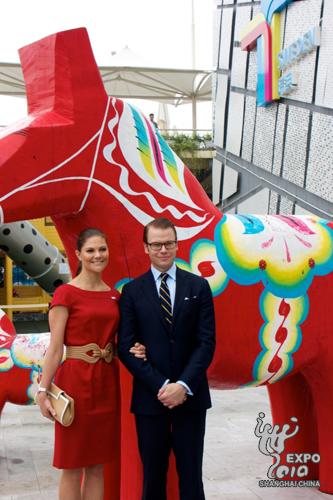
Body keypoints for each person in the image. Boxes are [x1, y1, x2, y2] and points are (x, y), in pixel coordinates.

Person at [36, 228, 145, 500]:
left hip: (107, 384)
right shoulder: (66, 294)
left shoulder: (115, 295)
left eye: (102, 249)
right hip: (75, 384)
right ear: (78, 254)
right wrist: (42, 391)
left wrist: (138, 349)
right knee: (72, 466)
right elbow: (55, 348)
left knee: (97, 466)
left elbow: (122, 341)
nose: (97, 255)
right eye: (91, 250)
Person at [118, 217, 216, 500]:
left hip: (191, 397)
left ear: (177, 245)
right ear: (146, 248)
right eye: (157, 244)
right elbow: (126, 346)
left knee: (191, 477)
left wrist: (183, 385)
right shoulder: (132, 292)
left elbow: (206, 343)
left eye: (169, 243)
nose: (163, 250)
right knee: (153, 477)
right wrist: (162, 385)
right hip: (151, 399)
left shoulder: (198, 287)